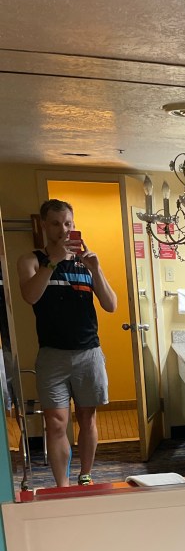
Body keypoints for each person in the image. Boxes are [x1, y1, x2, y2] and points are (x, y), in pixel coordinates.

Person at [17, 199, 117, 487]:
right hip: (53, 356)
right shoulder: (31, 260)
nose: (63, 229)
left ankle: (85, 475)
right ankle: (62, 486)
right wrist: (53, 261)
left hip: (89, 353)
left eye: (68, 223)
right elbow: (30, 296)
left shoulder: (86, 262)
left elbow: (111, 305)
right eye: (56, 224)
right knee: (56, 423)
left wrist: (96, 269)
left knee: (87, 419)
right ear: (44, 226)